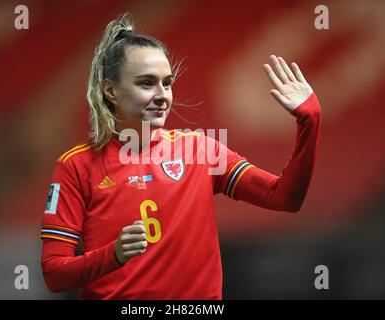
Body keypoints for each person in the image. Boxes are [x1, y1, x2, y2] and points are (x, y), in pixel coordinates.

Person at [40, 13, 321, 299]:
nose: (162, 95)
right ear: (110, 90)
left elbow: (284, 198)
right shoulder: (76, 166)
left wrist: (309, 121)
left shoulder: (201, 152)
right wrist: (113, 255)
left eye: (167, 83)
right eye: (147, 83)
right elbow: (54, 274)